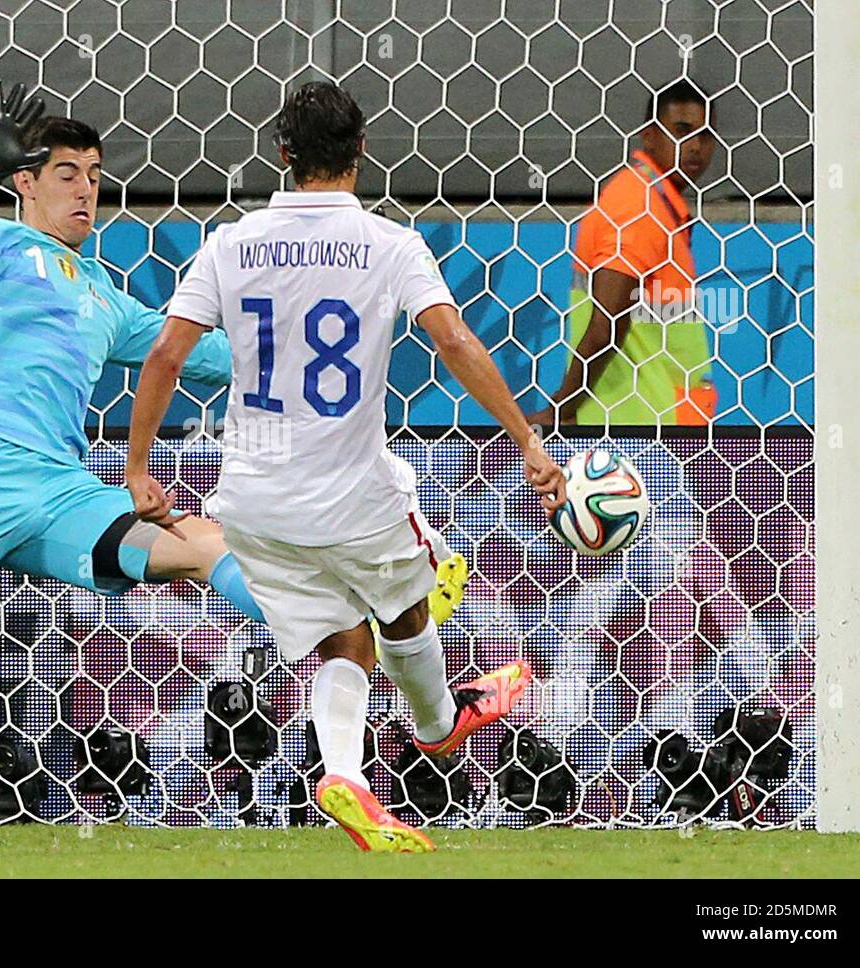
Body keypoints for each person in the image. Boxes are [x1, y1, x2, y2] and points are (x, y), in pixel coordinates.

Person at [0, 81, 466, 697]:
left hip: (60, 490)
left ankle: (349, 633)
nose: (86, 191)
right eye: (67, 174)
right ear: (24, 182)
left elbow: (206, 357)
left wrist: (323, 338)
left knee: (205, 547)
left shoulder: (105, 297)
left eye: (95, 176)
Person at [125, 81, 566, 852]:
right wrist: (527, 440)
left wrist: (138, 468)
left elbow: (166, 353)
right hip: (352, 493)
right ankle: (436, 722)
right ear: (362, 152)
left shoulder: (231, 243)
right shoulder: (389, 243)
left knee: (345, 643)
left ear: (282, 154)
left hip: (254, 499)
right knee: (409, 599)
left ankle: (347, 776)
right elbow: (455, 341)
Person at [529, 79, 717, 428]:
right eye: (682, 131)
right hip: (634, 432)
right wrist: (562, 410)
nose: (695, 146)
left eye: (706, 135)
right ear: (649, 136)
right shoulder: (638, 204)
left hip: (658, 426)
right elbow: (607, 325)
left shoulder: (659, 206)